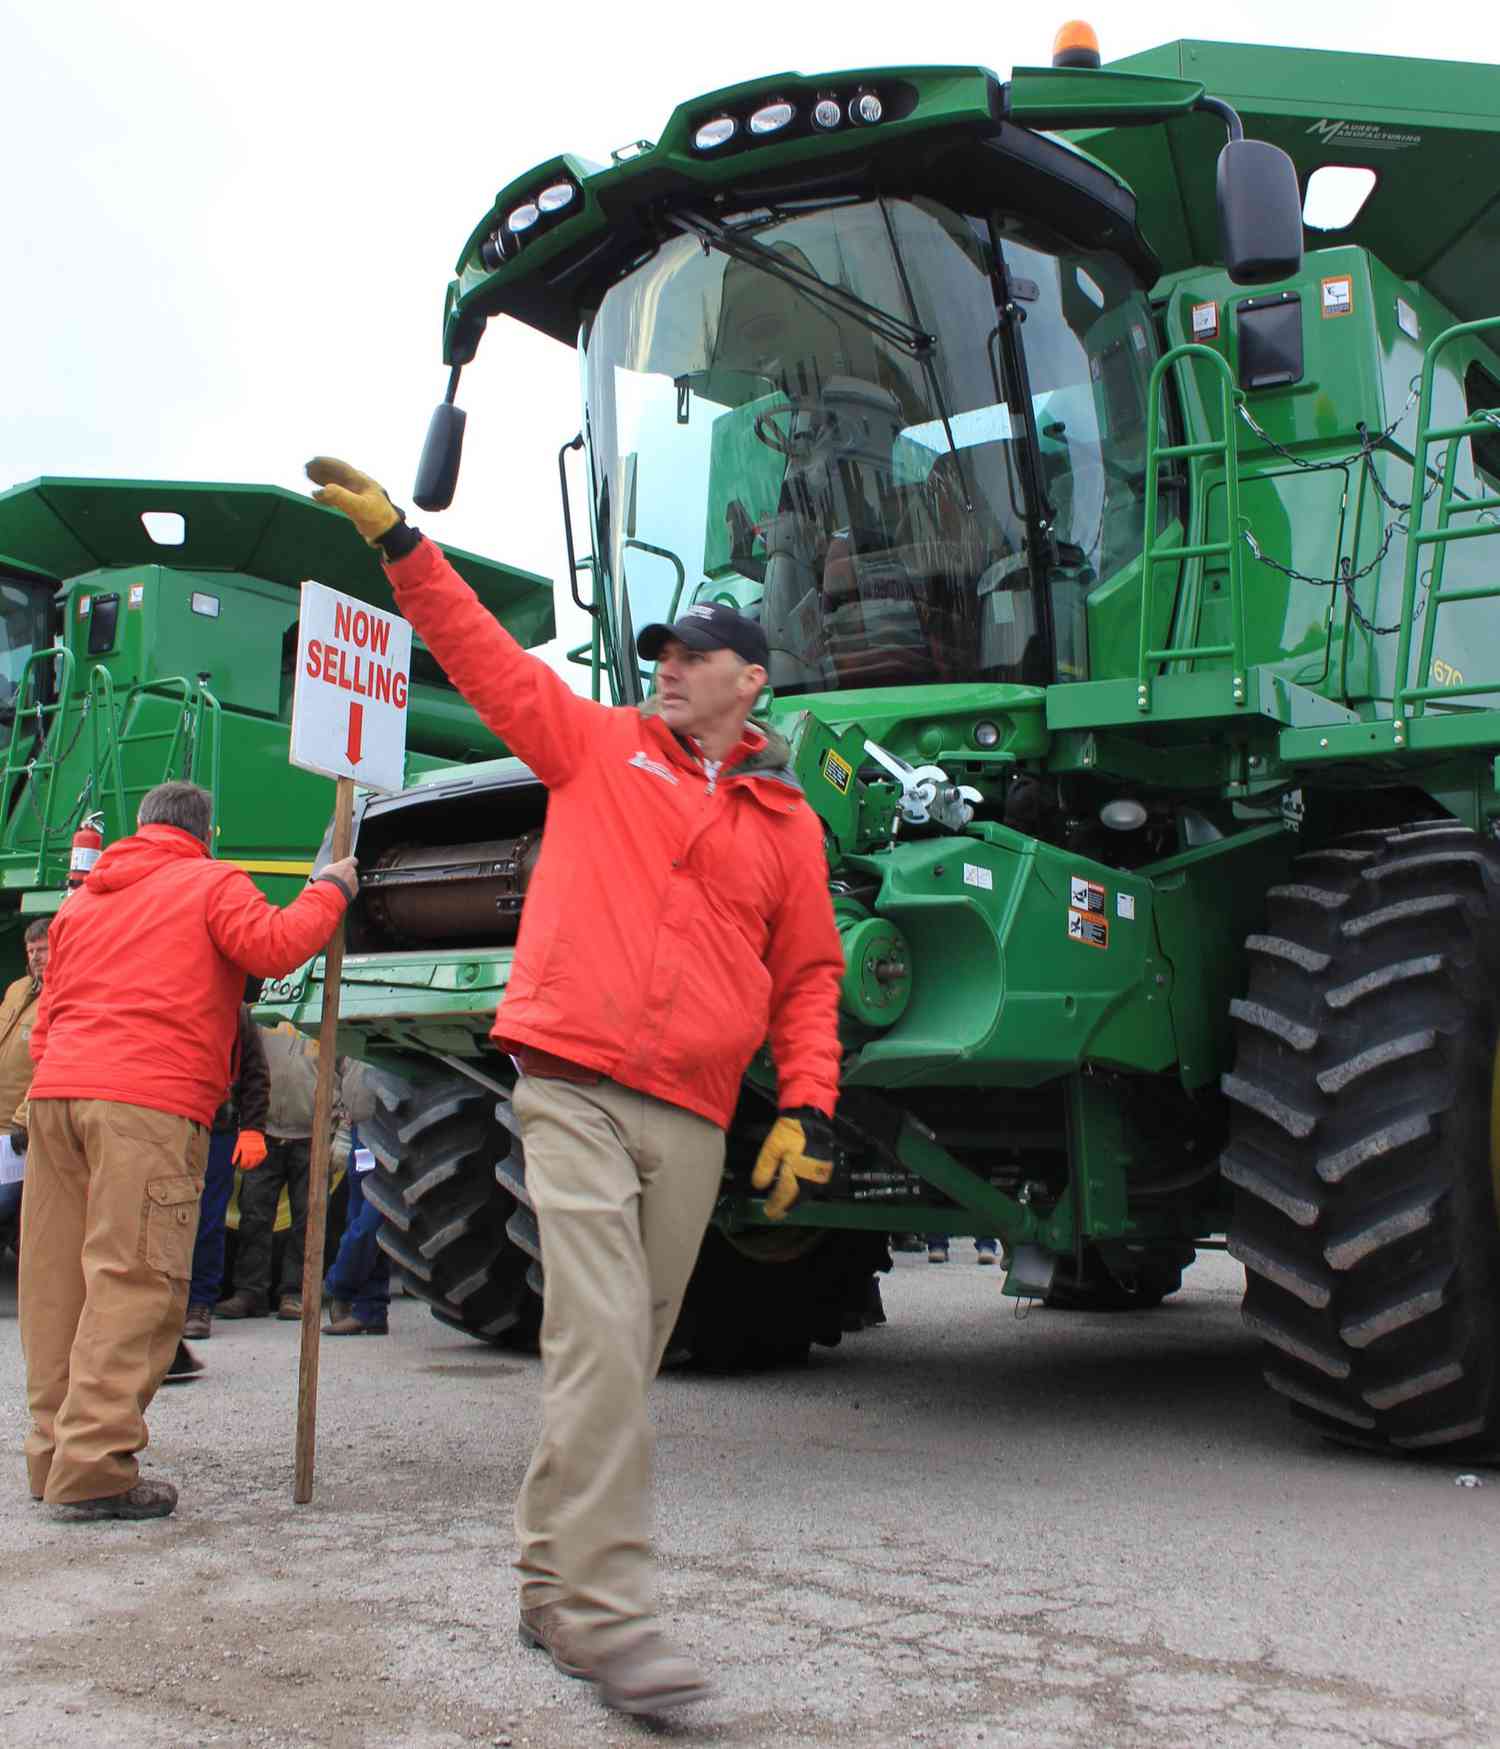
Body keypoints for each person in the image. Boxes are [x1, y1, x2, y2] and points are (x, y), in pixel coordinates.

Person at [308, 458, 844, 1715]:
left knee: (623, 1357)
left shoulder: (787, 824)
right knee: (600, 1340)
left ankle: (549, 1587)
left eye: (693, 653)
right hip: (572, 1087)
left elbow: (810, 977)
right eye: (659, 650)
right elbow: (492, 663)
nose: (665, 664)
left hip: (700, 1117)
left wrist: (810, 1106)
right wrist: (403, 548)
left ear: (751, 680)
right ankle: (612, 1621)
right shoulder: (599, 749)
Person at [17, 780, 355, 1521]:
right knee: (133, 1279)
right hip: (146, 1102)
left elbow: (49, 1013)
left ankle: (52, 1455)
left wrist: (49, 1085)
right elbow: (275, 945)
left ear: (142, 826)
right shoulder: (210, 882)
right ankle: (96, 1465)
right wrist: (330, 888)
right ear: (208, 832)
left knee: (55, 1286)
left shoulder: (83, 899)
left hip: (58, 1099)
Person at [216, 1023, 326, 1321]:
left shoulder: (325, 1020)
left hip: (312, 1136)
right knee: (253, 1216)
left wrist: (338, 1132)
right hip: (265, 1133)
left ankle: (295, 1293)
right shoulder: (263, 1021)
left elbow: (342, 1074)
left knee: (307, 1220)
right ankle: (250, 1293)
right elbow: (247, 1070)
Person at [0, 919, 50, 1251]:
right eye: (31, 951)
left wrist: (23, 1117)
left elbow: (49, 1065)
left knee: (6, 1205)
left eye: (43, 949)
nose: (36, 957)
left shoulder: (63, 994)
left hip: (17, 1127)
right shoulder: (18, 989)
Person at [323, 1124, 390, 1335]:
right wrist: (343, 1136)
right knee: (357, 1218)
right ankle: (371, 1309)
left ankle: (339, 1285)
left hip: (391, 1126)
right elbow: (347, 1092)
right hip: (360, 1131)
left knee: (372, 1218)